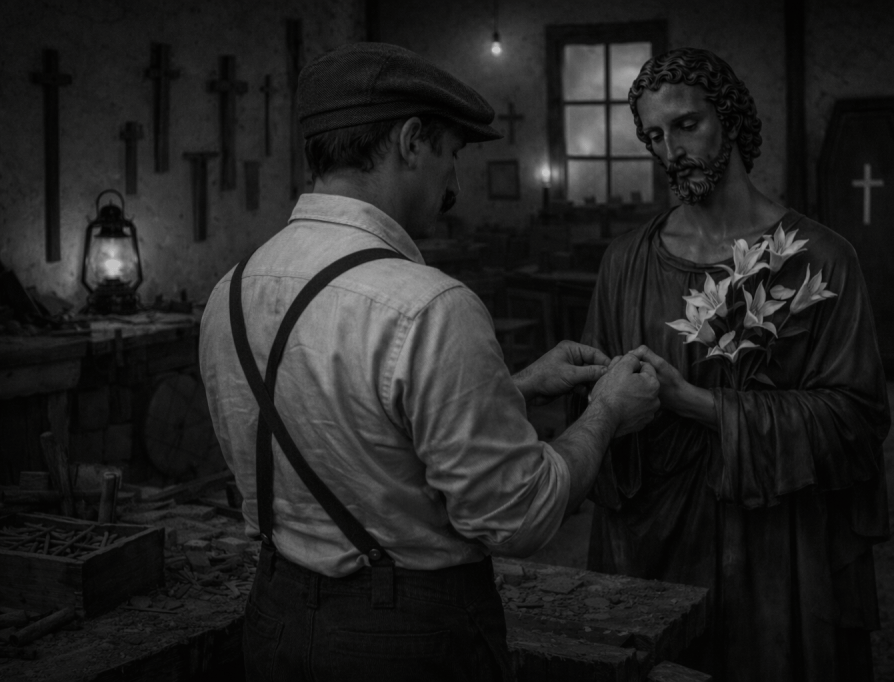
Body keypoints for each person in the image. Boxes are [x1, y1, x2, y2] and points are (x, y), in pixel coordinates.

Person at [198, 42, 660, 682]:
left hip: (275, 619)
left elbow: (346, 425)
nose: (454, 181)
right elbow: (519, 517)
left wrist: (515, 386)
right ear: (412, 141)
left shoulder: (231, 291)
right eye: (452, 153)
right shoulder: (429, 305)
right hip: (405, 639)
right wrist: (606, 411)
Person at [575, 47, 890, 682]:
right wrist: (602, 399)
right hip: (649, 532)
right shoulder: (625, 262)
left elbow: (855, 418)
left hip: (772, 537)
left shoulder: (820, 260)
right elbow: (596, 408)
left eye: (687, 125)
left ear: (733, 121)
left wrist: (698, 402)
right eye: (654, 135)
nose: (670, 151)